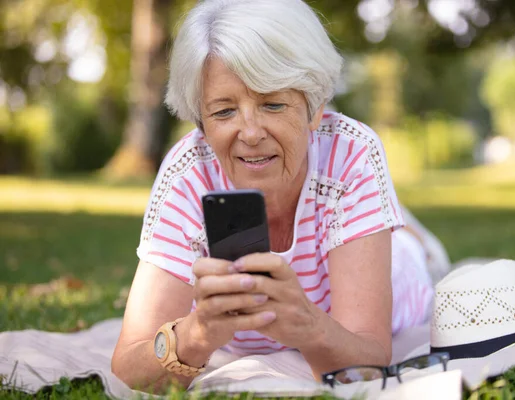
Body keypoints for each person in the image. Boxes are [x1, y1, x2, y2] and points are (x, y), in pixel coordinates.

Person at [112, 0, 446, 392]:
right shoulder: (187, 176)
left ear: (316, 107)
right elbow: (128, 368)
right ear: (200, 119)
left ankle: (402, 229)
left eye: (272, 103)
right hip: (331, 201)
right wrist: (196, 333)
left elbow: (369, 363)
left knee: (418, 256)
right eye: (223, 112)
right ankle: (376, 214)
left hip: (404, 269)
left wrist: (306, 324)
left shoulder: (351, 154)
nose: (250, 133)